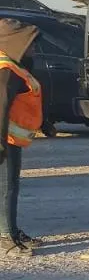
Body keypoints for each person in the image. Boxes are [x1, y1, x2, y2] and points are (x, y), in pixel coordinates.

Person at [0, 18, 45, 258]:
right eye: (31, 44)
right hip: (5, 138)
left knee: (6, 187)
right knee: (7, 188)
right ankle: (6, 237)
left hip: (8, 136)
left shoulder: (11, 65)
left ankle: (12, 231)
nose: (34, 49)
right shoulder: (7, 70)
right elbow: (1, 106)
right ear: (16, 42)